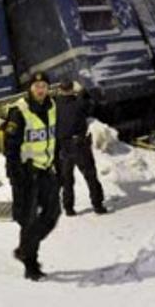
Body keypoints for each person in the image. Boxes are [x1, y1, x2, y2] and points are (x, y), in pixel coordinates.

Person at [4, 71, 61, 281]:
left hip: (46, 170)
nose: (40, 89)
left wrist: (59, 167)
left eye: (44, 86)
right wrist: (15, 176)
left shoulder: (52, 106)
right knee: (27, 220)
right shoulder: (19, 111)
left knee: (52, 214)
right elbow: (10, 148)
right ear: (30, 88)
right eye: (37, 86)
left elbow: (54, 139)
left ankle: (24, 248)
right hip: (26, 174)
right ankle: (31, 264)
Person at [54, 79, 108, 216]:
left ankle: (69, 208)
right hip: (80, 144)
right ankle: (97, 205)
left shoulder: (55, 104)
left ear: (60, 90)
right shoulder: (79, 102)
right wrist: (82, 92)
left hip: (64, 146)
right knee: (90, 175)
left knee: (67, 179)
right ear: (72, 89)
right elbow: (92, 106)